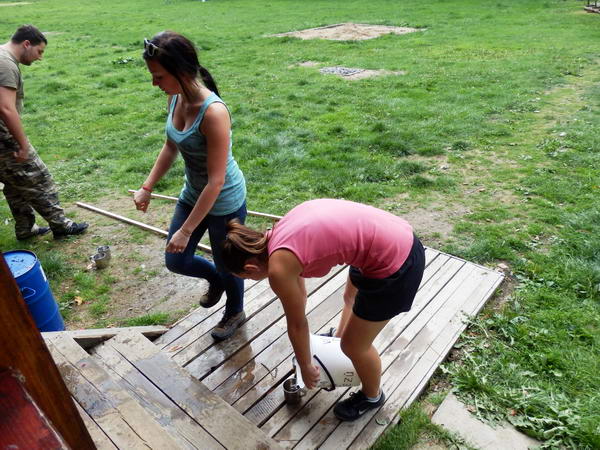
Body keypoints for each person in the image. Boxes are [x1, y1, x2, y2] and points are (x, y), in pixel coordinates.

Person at [221, 198, 425, 421]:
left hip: (397, 263)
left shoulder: (279, 268)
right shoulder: (277, 235)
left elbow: (297, 324)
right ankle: (340, 339)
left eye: (246, 277)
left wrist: (306, 366)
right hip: (392, 236)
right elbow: (300, 298)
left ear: (250, 267)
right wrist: (305, 348)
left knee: (355, 347)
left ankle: (372, 396)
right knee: (350, 298)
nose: (250, 280)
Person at [134, 31, 247, 340]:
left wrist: (186, 231)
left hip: (224, 200)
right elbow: (171, 145)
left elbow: (216, 180)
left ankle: (235, 311)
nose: (154, 83)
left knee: (228, 263)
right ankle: (217, 281)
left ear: (182, 71)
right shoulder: (175, 97)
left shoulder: (213, 113)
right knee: (177, 260)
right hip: (193, 192)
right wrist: (147, 186)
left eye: (159, 76)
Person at [0, 25, 88, 240]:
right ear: (26, 44)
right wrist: (22, 144)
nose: (40, 57)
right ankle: (61, 225)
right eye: (39, 51)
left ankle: (25, 228)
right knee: (38, 177)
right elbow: (6, 108)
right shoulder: (6, 64)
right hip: (4, 137)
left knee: (13, 182)